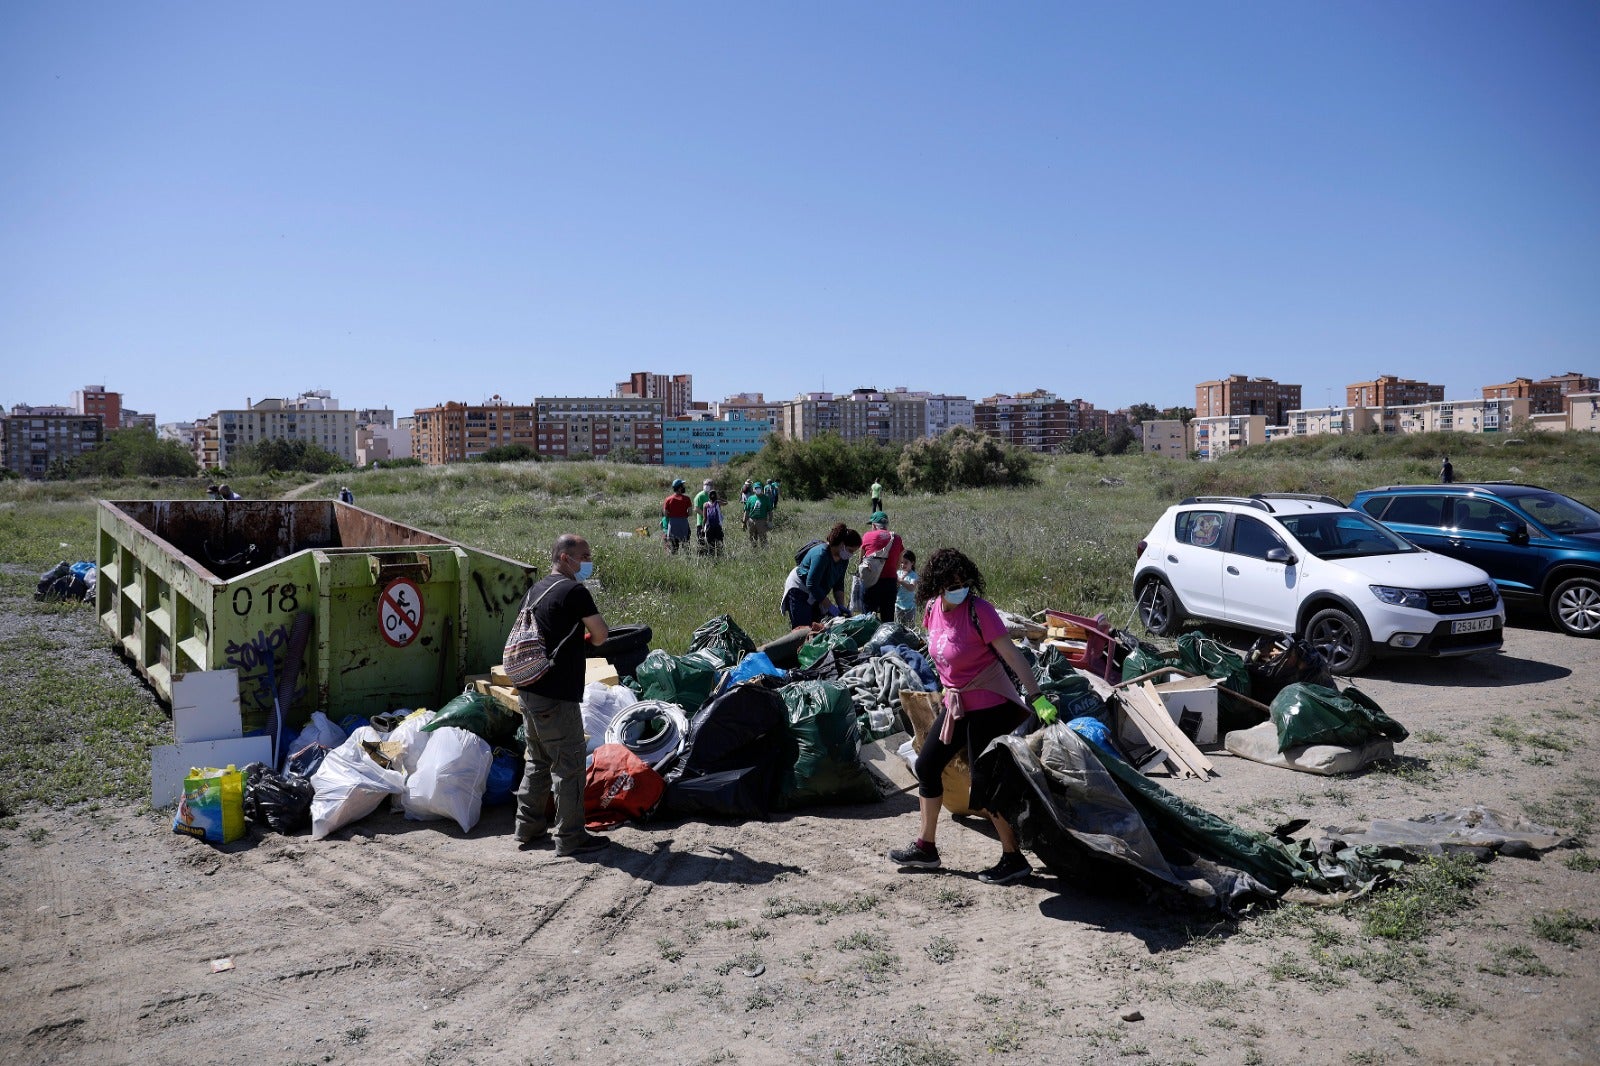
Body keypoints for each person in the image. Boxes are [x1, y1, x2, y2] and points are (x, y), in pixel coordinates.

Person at [888, 547, 1046, 885]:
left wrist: (1037, 697)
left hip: (991, 705)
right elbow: (942, 654)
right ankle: (926, 848)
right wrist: (947, 688)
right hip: (956, 705)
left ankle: (1013, 858)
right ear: (937, 585)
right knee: (927, 766)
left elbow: (1014, 657)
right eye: (952, 583)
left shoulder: (980, 611)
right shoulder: (932, 609)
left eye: (964, 582)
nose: (959, 588)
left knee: (984, 782)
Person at [513, 534, 610, 857]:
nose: (589, 561)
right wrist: (587, 639)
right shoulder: (574, 590)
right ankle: (570, 838)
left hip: (528, 687)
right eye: (585, 555)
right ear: (566, 558)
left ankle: (527, 828)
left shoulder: (538, 588)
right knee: (568, 765)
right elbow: (600, 635)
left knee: (537, 760)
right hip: (556, 693)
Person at [781, 523, 861, 628]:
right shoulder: (821, 554)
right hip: (799, 588)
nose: (851, 554)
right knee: (803, 629)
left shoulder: (843, 559)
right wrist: (830, 607)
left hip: (816, 592)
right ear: (842, 544)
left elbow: (839, 583)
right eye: (850, 550)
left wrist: (840, 605)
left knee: (818, 626)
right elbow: (811, 584)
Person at [857, 511, 905, 623]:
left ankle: (869, 638)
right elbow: (899, 562)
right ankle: (886, 639)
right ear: (886, 525)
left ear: (874, 525)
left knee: (868, 618)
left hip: (871, 582)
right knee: (888, 619)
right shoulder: (897, 538)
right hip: (890, 582)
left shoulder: (867, 536)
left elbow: (861, 561)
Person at [662, 479, 693, 554]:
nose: (684, 487)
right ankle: (687, 558)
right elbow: (690, 513)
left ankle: (674, 560)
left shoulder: (668, 499)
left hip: (673, 524)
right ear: (679, 488)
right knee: (686, 544)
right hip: (683, 523)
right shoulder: (687, 499)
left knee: (673, 546)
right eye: (682, 486)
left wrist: (673, 515)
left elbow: (665, 514)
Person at [895, 549, 919, 629]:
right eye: (901, 562)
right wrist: (899, 580)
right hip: (898, 605)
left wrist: (901, 580)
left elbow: (911, 588)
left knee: (910, 628)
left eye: (906, 563)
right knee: (899, 627)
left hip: (909, 607)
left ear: (912, 563)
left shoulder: (913, 575)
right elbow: (896, 587)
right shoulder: (898, 573)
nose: (903, 565)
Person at [745, 480, 773, 546]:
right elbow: (746, 511)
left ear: (761, 488)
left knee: (763, 538)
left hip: (762, 521)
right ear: (753, 489)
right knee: (752, 537)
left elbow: (770, 510)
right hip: (751, 520)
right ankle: (754, 551)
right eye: (756, 488)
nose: (758, 489)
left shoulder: (766, 498)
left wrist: (770, 521)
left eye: (759, 488)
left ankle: (765, 552)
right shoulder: (750, 498)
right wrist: (744, 522)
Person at [702, 489, 726, 556]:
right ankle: (720, 556)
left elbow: (704, 518)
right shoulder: (718, 502)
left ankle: (712, 558)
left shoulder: (705, 504)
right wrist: (719, 498)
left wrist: (702, 528)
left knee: (710, 545)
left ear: (708, 496)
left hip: (709, 527)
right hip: (717, 526)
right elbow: (726, 503)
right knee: (719, 544)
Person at [692, 479, 713, 547]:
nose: (707, 486)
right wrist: (705, 516)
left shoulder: (711, 495)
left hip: (712, 523)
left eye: (709, 484)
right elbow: (696, 508)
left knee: (712, 543)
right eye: (705, 484)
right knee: (702, 543)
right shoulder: (700, 496)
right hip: (702, 523)